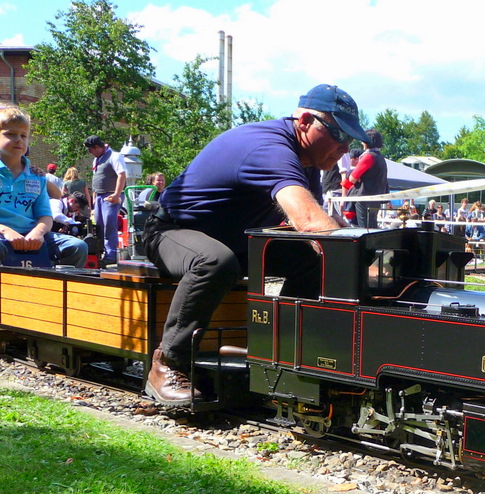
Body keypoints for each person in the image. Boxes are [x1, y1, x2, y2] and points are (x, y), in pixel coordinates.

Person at [141, 83, 368, 404]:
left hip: (233, 241)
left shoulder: (309, 162)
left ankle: (291, 353)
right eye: (338, 134)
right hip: (170, 232)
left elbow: (314, 234)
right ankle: (167, 363)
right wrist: (364, 265)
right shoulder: (270, 149)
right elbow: (308, 220)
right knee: (214, 261)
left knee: (305, 257)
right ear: (304, 122)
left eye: (350, 139)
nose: (345, 148)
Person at [0, 105, 88, 269]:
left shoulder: (36, 177)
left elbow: (45, 215)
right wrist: (6, 231)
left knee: (78, 247)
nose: (19, 139)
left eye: (23, 135)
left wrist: (38, 232)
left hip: (31, 235)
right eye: (10, 134)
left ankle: (58, 290)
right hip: (2, 235)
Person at [84, 134, 127, 266]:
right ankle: (101, 253)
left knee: (110, 224)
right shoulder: (97, 159)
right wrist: (94, 200)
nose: (91, 153)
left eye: (91, 150)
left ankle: (111, 254)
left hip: (111, 196)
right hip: (100, 197)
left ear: (97, 147)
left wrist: (116, 195)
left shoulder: (115, 156)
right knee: (99, 226)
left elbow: (122, 175)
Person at [342, 129, 387, 228]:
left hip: (363, 198)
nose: (362, 142)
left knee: (363, 228)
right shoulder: (381, 158)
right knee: (372, 226)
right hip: (376, 198)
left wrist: (357, 177)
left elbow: (352, 178)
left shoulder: (368, 157)